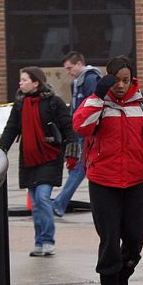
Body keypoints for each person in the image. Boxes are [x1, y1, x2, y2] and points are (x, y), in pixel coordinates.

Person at [72, 56, 143, 285]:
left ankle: (123, 273)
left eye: (126, 80)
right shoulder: (98, 103)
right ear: (109, 78)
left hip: (134, 181)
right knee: (110, 238)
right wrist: (97, 96)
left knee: (136, 237)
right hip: (103, 182)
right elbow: (79, 126)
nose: (122, 86)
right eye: (117, 80)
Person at [0, 67, 79, 256]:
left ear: (36, 83)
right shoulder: (19, 105)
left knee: (42, 197)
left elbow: (68, 126)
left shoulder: (54, 102)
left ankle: (48, 240)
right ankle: (39, 242)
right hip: (29, 158)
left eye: (24, 80)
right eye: (21, 80)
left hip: (50, 157)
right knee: (35, 202)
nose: (20, 83)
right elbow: (11, 129)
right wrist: (1, 150)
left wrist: (72, 151)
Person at [52, 51, 102, 217]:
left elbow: (93, 105)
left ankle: (59, 203)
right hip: (77, 130)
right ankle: (60, 202)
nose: (68, 72)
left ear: (80, 64)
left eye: (70, 68)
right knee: (77, 167)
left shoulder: (90, 79)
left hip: (86, 131)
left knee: (80, 168)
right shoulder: (76, 83)